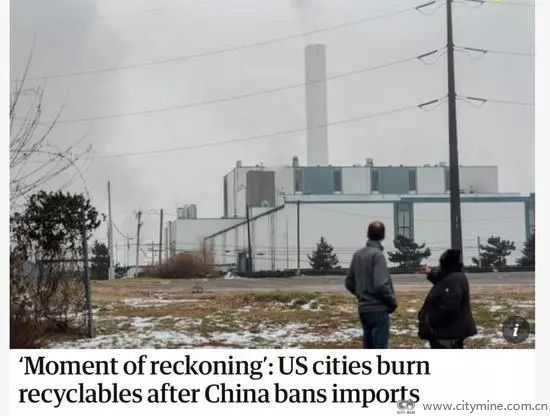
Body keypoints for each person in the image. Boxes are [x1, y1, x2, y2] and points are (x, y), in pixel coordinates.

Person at [345, 221, 397, 349]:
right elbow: (381, 284)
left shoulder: (357, 255)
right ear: (383, 236)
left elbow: (349, 282)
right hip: (379, 308)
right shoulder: (378, 255)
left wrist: (361, 294)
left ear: (368, 234)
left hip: (363, 309)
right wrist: (392, 301)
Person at [417, 249, 477, 349]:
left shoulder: (453, 280)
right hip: (450, 331)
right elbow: (442, 280)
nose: (439, 266)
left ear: (446, 264)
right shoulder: (455, 276)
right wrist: (430, 272)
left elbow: (449, 308)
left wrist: (430, 319)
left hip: (447, 333)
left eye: (441, 263)